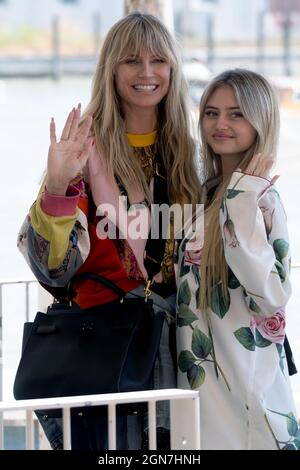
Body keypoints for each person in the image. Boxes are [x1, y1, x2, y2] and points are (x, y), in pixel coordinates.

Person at [17, 13, 201, 450]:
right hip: (108, 348)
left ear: (173, 70)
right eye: (130, 61)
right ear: (111, 70)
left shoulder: (186, 154)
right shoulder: (85, 150)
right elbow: (52, 270)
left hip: (179, 347)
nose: (146, 72)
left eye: (158, 60)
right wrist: (59, 186)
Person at [175, 69, 299, 450]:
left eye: (236, 113)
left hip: (243, 383)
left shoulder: (262, 200)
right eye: (211, 113)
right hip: (203, 379)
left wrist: (242, 203)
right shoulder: (208, 194)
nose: (220, 124)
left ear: (259, 120)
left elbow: (270, 295)